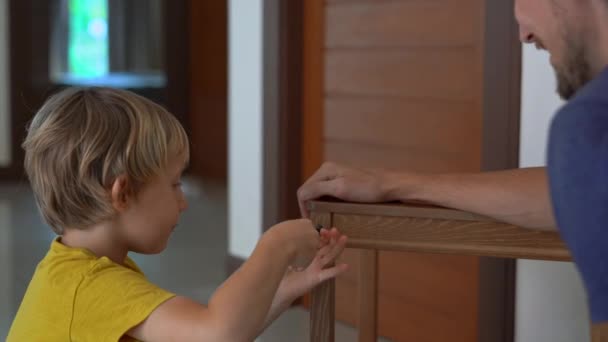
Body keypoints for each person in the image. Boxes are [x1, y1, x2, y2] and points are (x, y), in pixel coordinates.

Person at [298, 0, 608, 329]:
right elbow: (575, 190)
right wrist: (393, 183)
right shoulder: (591, 150)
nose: (524, 33)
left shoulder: (592, 125)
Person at [7, 87, 348, 342]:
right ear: (121, 193)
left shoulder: (79, 269)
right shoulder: (90, 287)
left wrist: (284, 289)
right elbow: (215, 333)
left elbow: (203, 334)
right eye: (174, 185)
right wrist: (277, 244)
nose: (183, 202)